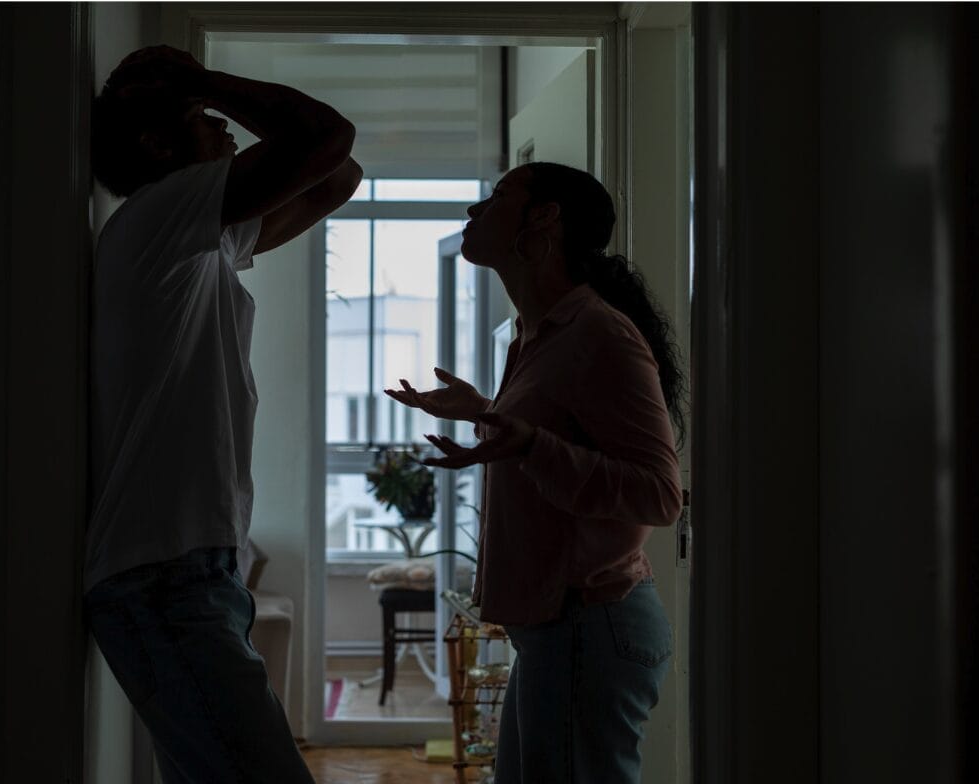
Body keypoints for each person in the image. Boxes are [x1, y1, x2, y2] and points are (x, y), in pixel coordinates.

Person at [85, 45, 361, 783]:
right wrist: (196, 81)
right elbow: (326, 139)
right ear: (157, 143)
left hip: (188, 575)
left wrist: (194, 94)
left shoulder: (198, 240)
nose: (230, 133)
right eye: (208, 122)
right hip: (165, 579)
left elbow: (337, 177)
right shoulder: (158, 215)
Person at [385, 162, 685, 783]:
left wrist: (525, 442)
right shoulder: (537, 335)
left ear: (543, 218)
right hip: (559, 631)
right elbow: (554, 441)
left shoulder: (599, 333)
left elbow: (658, 495)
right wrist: (488, 414)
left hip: (590, 625)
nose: (474, 212)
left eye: (498, 197)